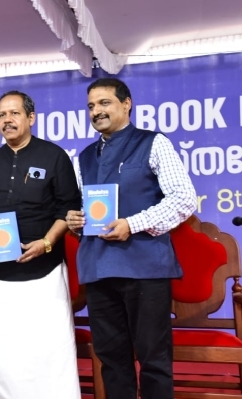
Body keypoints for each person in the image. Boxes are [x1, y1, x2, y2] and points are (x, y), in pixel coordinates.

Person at [66, 78, 197, 399]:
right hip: (99, 270)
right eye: (91, 106)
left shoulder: (153, 143)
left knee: (154, 359)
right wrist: (75, 221)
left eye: (104, 103)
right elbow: (85, 208)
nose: (96, 111)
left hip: (145, 268)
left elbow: (183, 199)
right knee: (112, 361)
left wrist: (133, 224)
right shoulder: (84, 157)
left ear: (127, 104)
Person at [0, 91, 82, 398]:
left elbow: (69, 209)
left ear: (30, 118)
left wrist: (46, 242)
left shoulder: (54, 156)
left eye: (14, 113)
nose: (7, 120)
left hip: (42, 271)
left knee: (43, 353)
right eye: (2, 115)